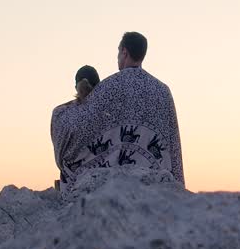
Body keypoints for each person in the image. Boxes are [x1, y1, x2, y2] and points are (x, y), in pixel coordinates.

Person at [50, 32, 184, 187]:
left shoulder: (109, 87)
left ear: (124, 52)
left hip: (118, 185)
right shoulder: (163, 91)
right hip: (156, 184)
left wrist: (58, 115)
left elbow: (81, 121)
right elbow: (173, 140)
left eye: (118, 52)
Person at [50, 66, 102, 180]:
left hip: (70, 181)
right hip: (102, 179)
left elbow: (59, 156)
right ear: (99, 87)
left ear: (76, 87)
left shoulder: (60, 114)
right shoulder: (105, 112)